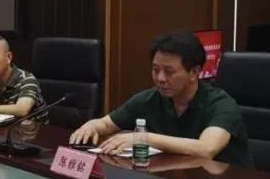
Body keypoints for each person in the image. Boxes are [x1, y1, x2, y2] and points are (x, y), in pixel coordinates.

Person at [70, 31, 251, 166]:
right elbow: (107, 124)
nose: (160, 78)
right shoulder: (149, 99)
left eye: (169, 72)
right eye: (156, 70)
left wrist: (143, 138)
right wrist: (92, 126)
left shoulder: (221, 104)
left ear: (194, 72)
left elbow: (206, 149)